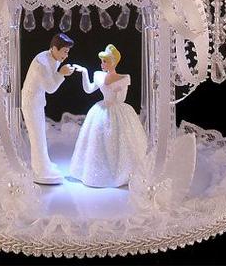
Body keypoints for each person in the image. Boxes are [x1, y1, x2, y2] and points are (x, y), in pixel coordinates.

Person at [69, 44, 148, 187]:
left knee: (119, 139)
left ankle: (121, 170)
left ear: (113, 62)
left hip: (117, 111)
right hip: (102, 110)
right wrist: (85, 72)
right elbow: (88, 89)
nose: (102, 64)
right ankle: (100, 169)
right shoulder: (99, 76)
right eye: (102, 61)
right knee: (98, 140)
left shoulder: (123, 78)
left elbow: (121, 99)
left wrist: (118, 90)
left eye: (105, 61)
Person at [21, 32, 75, 184]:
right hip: (31, 103)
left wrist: (60, 72)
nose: (66, 56)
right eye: (65, 51)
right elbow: (50, 87)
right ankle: (40, 170)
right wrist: (62, 74)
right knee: (37, 137)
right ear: (55, 48)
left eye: (68, 52)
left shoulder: (53, 58)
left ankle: (44, 164)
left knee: (41, 135)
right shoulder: (42, 64)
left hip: (37, 101)